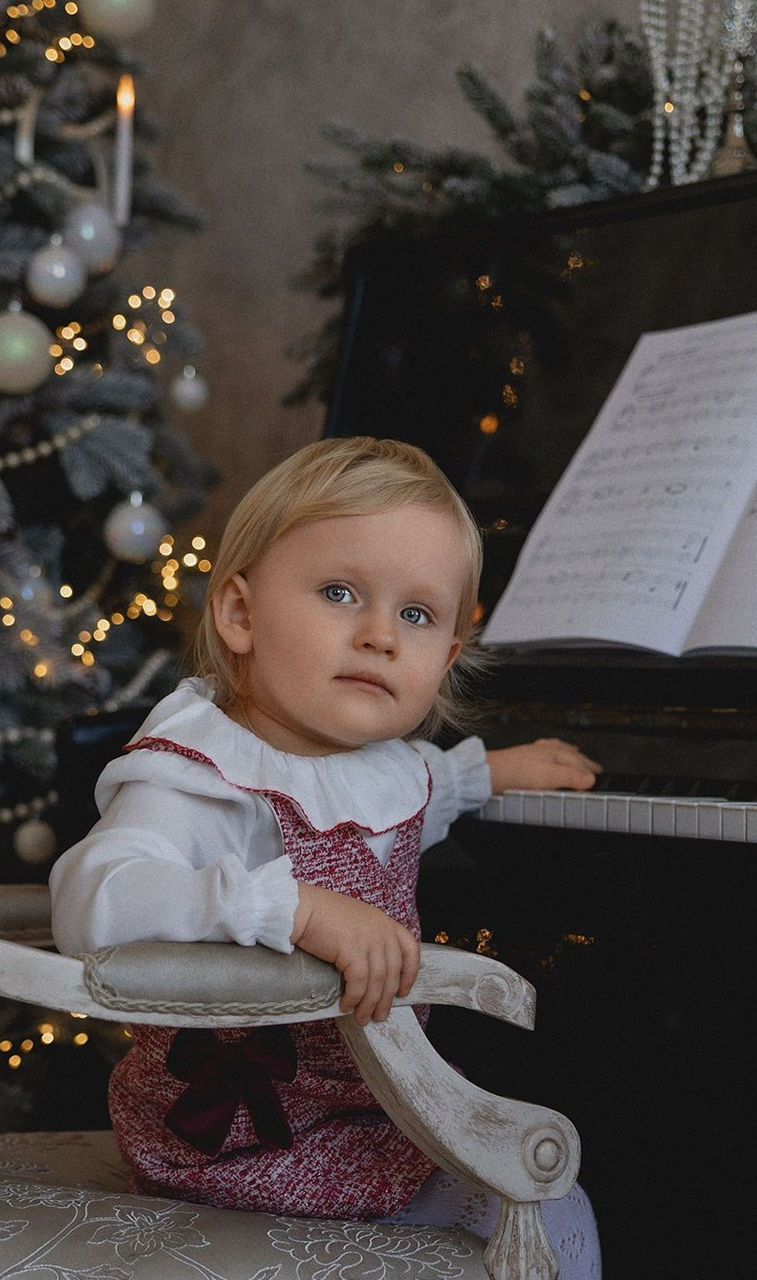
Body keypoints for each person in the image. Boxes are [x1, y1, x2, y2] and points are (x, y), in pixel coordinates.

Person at [50, 436, 603, 1277]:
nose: (381, 635)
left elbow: (429, 790)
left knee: (547, 1196)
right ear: (239, 615)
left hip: (376, 1110)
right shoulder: (206, 772)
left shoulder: (386, 765)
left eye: (417, 616)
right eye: (341, 593)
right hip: (241, 1137)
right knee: (535, 1203)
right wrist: (293, 908)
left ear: (448, 656)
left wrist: (494, 770)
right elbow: (95, 896)